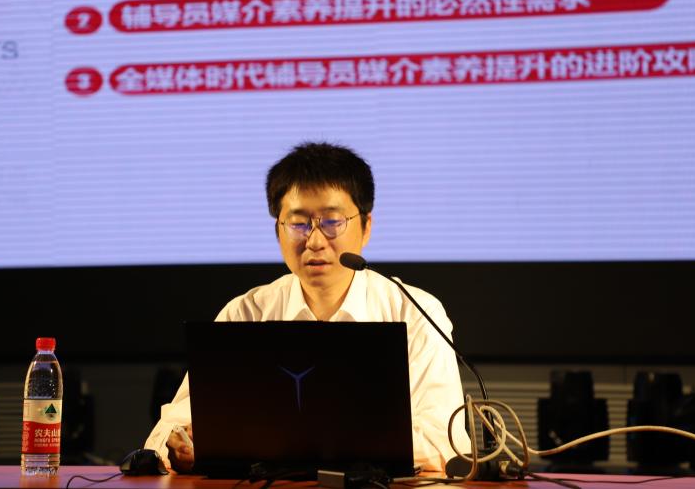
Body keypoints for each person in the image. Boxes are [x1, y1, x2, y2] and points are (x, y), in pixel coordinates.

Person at [144, 141, 470, 472]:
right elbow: (165, 434)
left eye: (332, 222)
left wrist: (314, 443)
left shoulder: (414, 313)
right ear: (278, 230)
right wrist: (180, 444)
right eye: (298, 224)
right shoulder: (245, 314)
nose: (314, 241)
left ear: (366, 226)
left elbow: (445, 443)